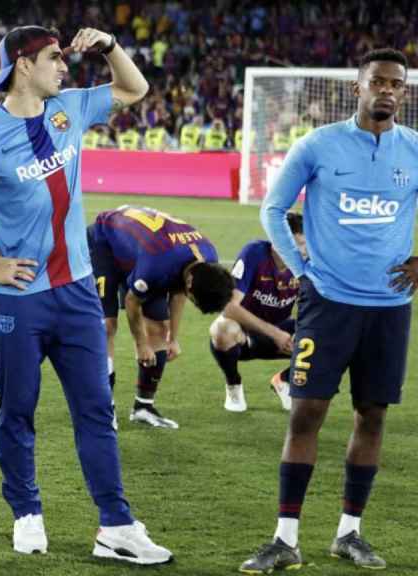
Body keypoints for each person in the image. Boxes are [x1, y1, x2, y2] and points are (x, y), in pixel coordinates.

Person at [0, 25, 172, 565]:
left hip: (79, 295)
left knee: (97, 410)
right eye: (53, 58)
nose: (64, 67)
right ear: (24, 65)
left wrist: (111, 45)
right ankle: (26, 513)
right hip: (20, 300)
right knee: (17, 412)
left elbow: (135, 90)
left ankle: (116, 525)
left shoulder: (69, 108)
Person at [241, 47, 418, 574]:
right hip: (328, 302)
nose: (386, 90)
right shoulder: (318, 144)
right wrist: (300, 268)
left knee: (372, 415)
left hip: (389, 307)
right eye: (377, 82)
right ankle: (284, 538)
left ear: (403, 93)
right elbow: (272, 209)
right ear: (356, 89)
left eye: (396, 84)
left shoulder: (413, 149)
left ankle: (349, 534)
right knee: (306, 414)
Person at [88, 205, 234, 429]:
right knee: (105, 326)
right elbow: (132, 301)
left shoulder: (206, 261)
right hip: (105, 243)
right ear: (190, 282)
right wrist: (141, 344)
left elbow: (178, 294)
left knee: (159, 330)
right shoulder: (157, 265)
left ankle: (143, 407)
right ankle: (103, 411)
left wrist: (172, 338)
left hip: (144, 252)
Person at [210, 212, 305, 412]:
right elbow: (229, 307)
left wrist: (304, 331)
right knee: (221, 329)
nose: (301, 252)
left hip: (281, 334)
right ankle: (233, 385)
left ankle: (284, 380)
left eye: (305, 245)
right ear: (276, 240)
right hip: (244, 334)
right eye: (297, 246)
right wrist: (275, 333)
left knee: (335, 337)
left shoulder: (307, 260)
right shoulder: (254, 253)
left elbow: (314, 307)